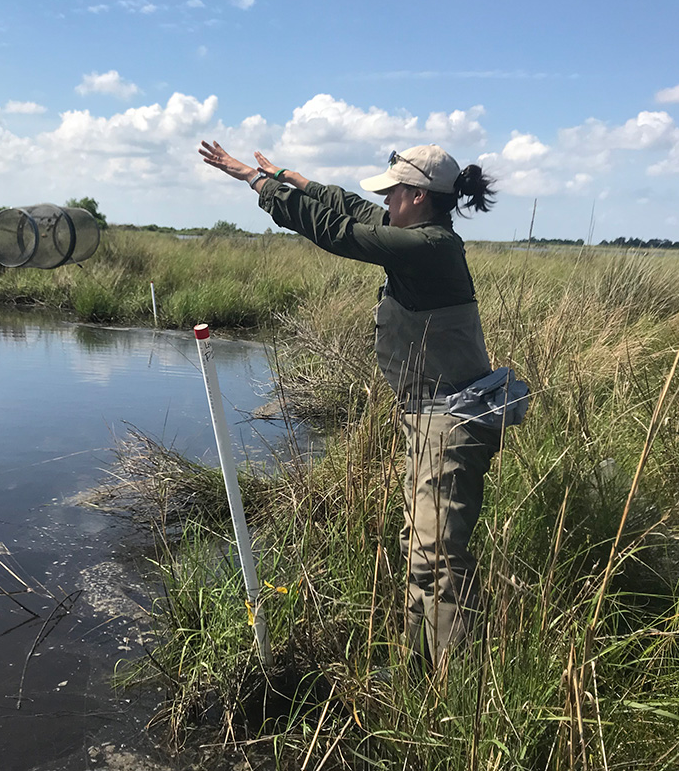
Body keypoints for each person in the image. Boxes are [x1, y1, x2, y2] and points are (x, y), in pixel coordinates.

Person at [199, 139, 508, 668]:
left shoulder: (430, 247)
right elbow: (353, 208)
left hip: (448, 424)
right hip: (429, 417)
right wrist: (291, 176)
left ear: (416, 196)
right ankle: (417, 669)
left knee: (439, 559)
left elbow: (340, 232)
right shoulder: (420, 234)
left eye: (393, 194)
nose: (386, 202)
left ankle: (456, 688)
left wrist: (255, 183)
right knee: (422, 548)